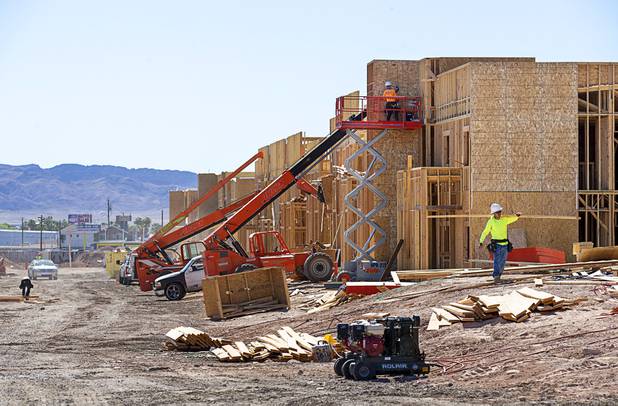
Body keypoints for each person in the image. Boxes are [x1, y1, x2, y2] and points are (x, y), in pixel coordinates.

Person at [479, 203, 521, 283]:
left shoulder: (504, 220)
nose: (499, 214)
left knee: (502, 261)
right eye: (497, 212)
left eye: (500, 212)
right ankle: (496, 276)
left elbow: (511, 219)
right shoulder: (491, 222)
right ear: (493, 213)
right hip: (497, 245)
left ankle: (499, 275)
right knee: (497, 261)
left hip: (504, 244)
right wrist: (481, 241)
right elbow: (485, 232)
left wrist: (516, 216)